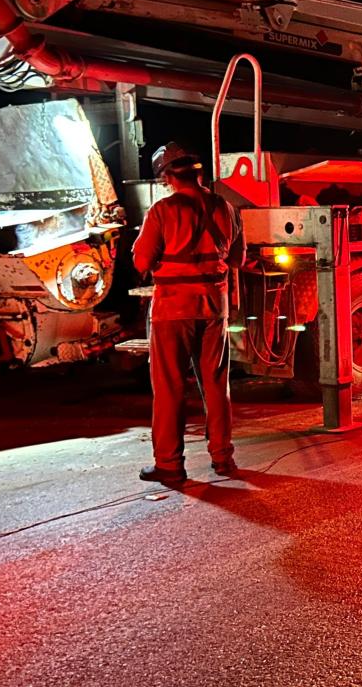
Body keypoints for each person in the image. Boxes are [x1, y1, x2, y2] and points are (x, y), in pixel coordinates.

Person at [132, 143, 245, 483]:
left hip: (173, 309)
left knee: (169, 388)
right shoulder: (227, 208)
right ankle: (223, 458)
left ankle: (169, 464)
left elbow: (141, 261)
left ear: (168, 177)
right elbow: (237, 259)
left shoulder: (161, 211)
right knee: (216, 385)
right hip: (214, 307)